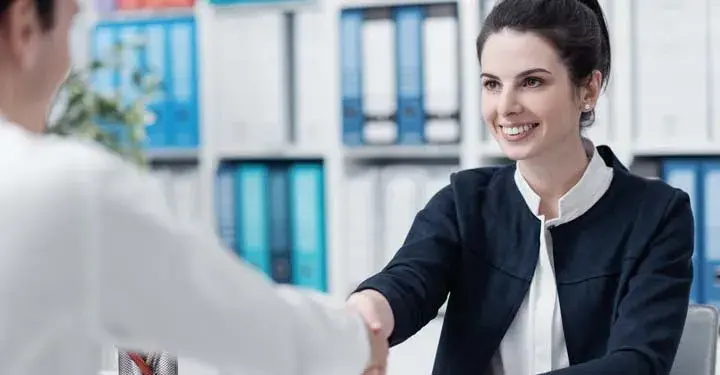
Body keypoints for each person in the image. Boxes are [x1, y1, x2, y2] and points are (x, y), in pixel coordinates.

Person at [0, 0, 388, 373]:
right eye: (70, 27)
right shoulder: (61, 187)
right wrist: (360, 341)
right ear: (26, 25)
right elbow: (257, 330)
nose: (69, 64)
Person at [346, 0, 694, 374]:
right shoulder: (464, 203)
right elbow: (408, 282)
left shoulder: (658, 214)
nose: (506, 106)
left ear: (589, 89)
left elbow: (638, 363)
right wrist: (369, 311)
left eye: (532, 82)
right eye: (492, 84)